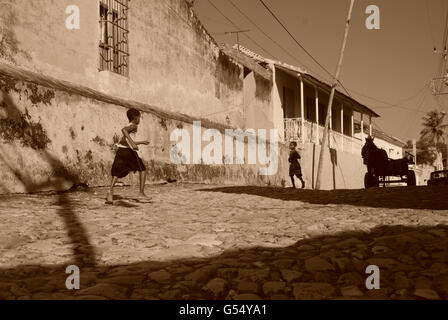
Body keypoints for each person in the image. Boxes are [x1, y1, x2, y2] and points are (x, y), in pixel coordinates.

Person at [106, 108, 151, 203]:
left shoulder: (130, 125)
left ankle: (110, 192)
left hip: (121, 150)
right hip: (128, 152)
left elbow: (125, 141)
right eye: (139, 118)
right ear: (135, 118)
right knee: (142, 169)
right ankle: (141, 193)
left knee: (116, 172)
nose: (139, 120)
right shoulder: (134, 126)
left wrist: (141, 142)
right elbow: (124, 130)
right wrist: (133, 143)